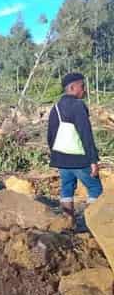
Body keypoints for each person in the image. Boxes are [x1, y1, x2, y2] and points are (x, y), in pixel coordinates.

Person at [47, 73, 102, 225]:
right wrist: (93, 160)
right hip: (80, 159)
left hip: (62, 159)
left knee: (66, 189)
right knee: (95, 189)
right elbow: (86, 134)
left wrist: (56, 155)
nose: (84, 90)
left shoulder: (56, 107)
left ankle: (68, 222)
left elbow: (50, 135)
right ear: (72, 87)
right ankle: (89, 224)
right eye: (82, 86)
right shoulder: (78, 106)